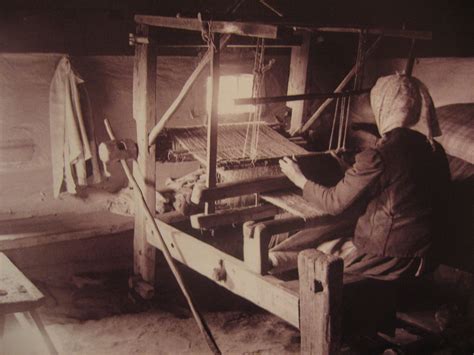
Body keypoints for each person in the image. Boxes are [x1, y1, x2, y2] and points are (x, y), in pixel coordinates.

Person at [275, 74, 450, 280]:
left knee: (318, 249)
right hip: (428, 257)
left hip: (392, 259)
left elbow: (333, 203)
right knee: (340, 231)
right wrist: (349, 168)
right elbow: (398, 181)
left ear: (383, 106)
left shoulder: (379, 154)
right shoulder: (434, 150)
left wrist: (298, 178)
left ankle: (273, 261)